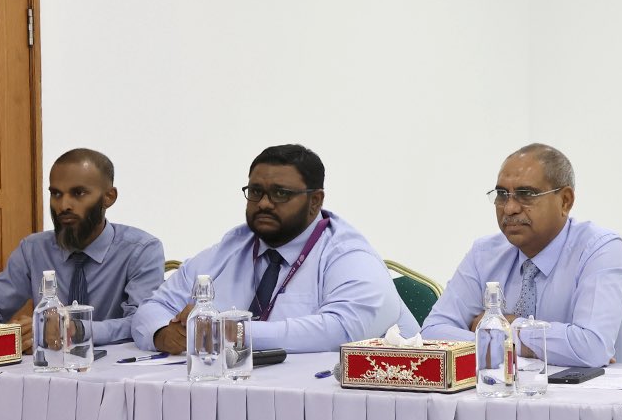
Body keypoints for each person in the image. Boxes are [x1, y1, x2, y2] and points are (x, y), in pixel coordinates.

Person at [132, 144, 415, 353]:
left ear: (315, 201)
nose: (264, 203)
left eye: (280, 193)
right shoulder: (231, 248)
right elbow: (153, 308)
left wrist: (228, 332)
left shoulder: (349, 254)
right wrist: (162, 333)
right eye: (256, 192)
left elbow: (344, 330)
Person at [421, 144, 622, 367]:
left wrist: (508, 328)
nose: (509, 208)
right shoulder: (484, 254)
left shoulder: (600, 248)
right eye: (502, 195)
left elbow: (591, 348)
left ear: (565, 201)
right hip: (501, 387)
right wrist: (521, 344)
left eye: (526, 194)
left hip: (591, 389)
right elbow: (432, 333)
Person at [0, 148, 164, 347]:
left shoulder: (141, 251)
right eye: (56, 194)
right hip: (45, 364)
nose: (63, 205)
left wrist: (76, 330)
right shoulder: (33, 250)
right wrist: (9, 338)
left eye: (78, 193)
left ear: (109, 197)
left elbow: (143, 323)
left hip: (116, 364)